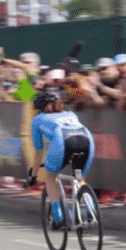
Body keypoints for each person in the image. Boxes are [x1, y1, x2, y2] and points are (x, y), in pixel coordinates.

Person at [26, 91, 96, 225]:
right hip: (86, 139)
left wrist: (33, 176)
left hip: (63, 141)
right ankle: (91, 211)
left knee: (51, 177)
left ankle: (58, 217)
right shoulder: (70, 114)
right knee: (80, 179)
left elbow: (39, 152)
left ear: (41, 108)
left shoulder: (37, 120)